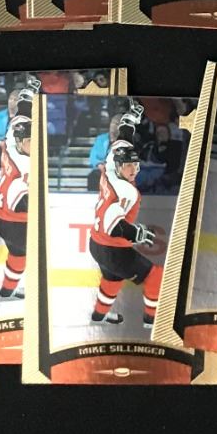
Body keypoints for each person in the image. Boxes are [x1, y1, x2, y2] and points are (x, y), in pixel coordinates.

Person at [88, 140, 163, 328]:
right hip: (114, 249)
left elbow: (116, 147)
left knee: (112, 279)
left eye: (135, 164)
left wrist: (127, 129)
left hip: (96, 243)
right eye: (128, 165)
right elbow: (113, 226)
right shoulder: (126, 191)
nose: (133, 169)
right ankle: (151, 321)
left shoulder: (108, 171)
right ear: (119, 165)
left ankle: (98, 316)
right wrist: (137, 233)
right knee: (156, 276)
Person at [0, 113, 31, 304]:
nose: (35, 145)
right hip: (14, 223)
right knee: (35, 254)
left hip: (1, 218)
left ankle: (7, 291)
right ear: (20, 142)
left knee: (18, 255)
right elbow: (18, 202)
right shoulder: (25, 166)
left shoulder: (10, 143)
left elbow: (14, 124)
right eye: (30, 141)